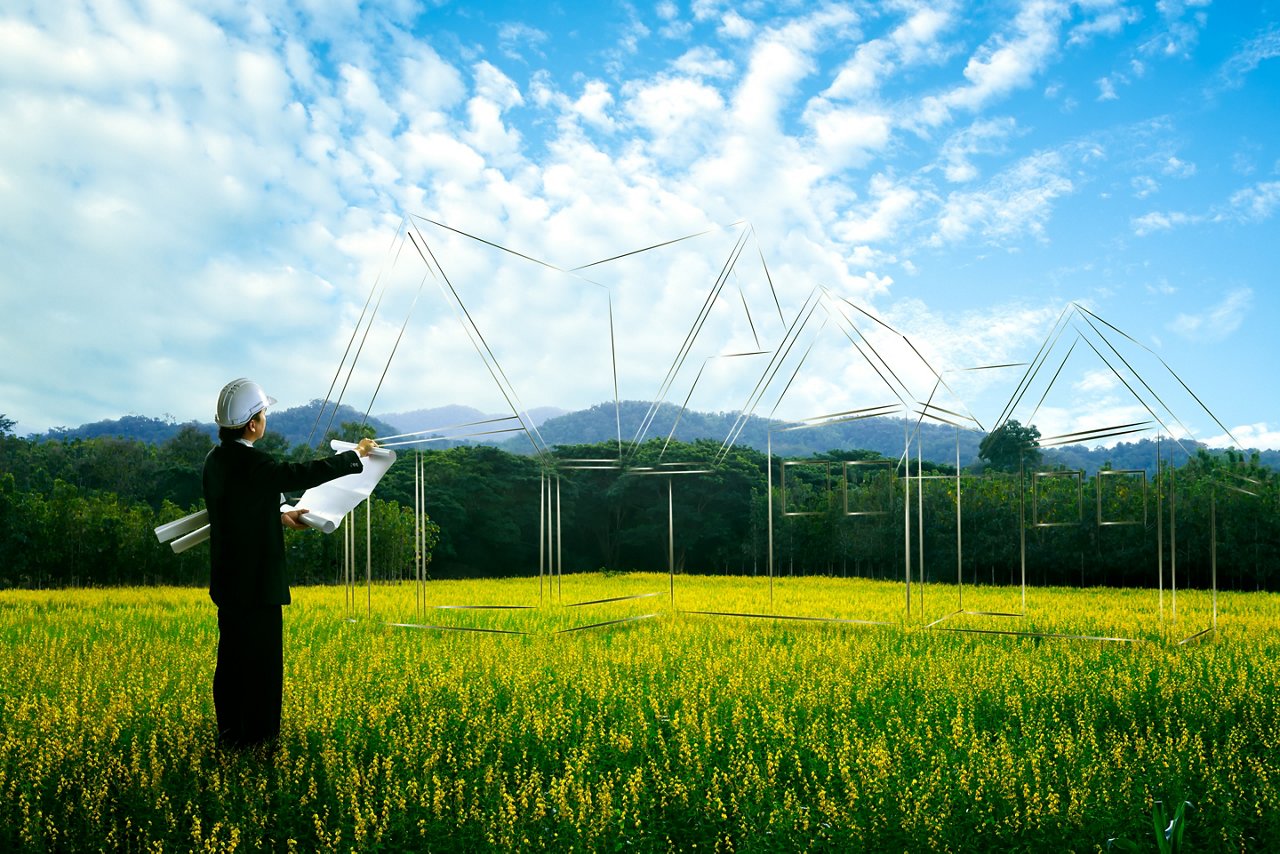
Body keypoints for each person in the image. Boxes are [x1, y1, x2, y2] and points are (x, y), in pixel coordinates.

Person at [202, 377, 377, 750]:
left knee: (231, 661)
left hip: (229, 583)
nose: (265, 419)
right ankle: (260, 740)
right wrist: (356, 456)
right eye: (263, 414)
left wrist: (280, 515)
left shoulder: (216, 460)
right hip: (258, 584)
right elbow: (299, 474)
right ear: (252, 424)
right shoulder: (255, 462)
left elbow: (238, 507)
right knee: (262, 666)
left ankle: (230, 734)